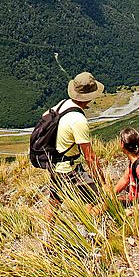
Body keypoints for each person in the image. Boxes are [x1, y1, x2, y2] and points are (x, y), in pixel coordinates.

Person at [46, 71, 106, 217]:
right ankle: (88, 230)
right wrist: (103, 182)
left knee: (54, 202)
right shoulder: (78, 120)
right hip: (69, 169)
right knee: (96, 198)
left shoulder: (61, 105)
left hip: (54, 164)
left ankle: (48, 236)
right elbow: (89, 156)